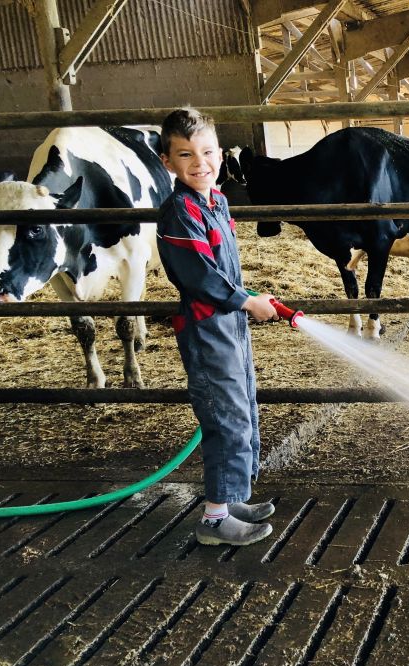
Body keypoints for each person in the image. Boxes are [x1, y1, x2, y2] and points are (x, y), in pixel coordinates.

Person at [157, 107, 279, 546]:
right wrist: (247, 301)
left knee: (243, 408)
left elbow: (224, 268)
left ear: (221, 155)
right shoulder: (179, 212)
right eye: (186, 155)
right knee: (225, 420)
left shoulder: (217, 201)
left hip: (231, 324)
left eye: (207, 152)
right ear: (167, 162)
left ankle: (231, 498)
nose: (200, 163)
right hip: (209, 329)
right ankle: (213, 521)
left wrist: (247, 301)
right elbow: (199, 276)